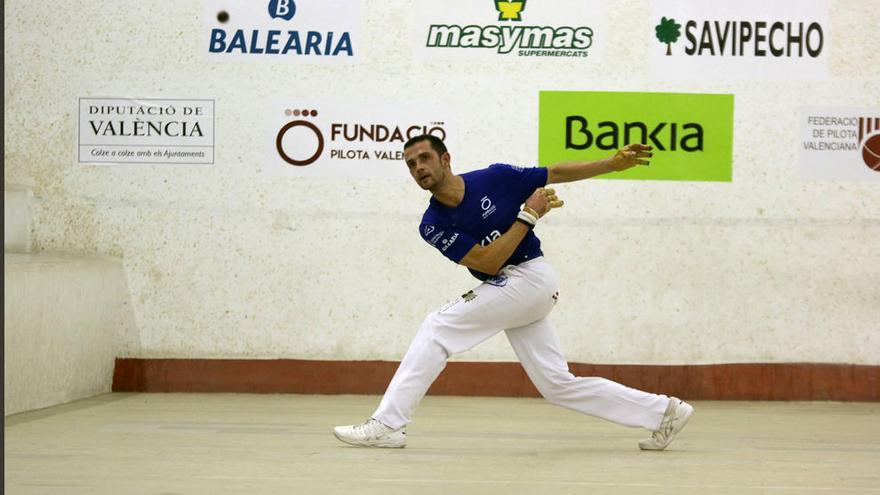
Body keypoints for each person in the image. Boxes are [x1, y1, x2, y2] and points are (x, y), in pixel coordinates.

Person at [333, 135, 693, 450]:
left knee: (437, 327)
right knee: (556, 384)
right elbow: (488, 263)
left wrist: (611, 164)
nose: (418, 168)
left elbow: (556, 172)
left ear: (445, 159)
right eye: (411, 164)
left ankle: (387, 425)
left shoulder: (497, 177)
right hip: (509, 286)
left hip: (531, 278)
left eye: (425, 158)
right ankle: (665, 412)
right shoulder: (432, 224)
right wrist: (529, 217)